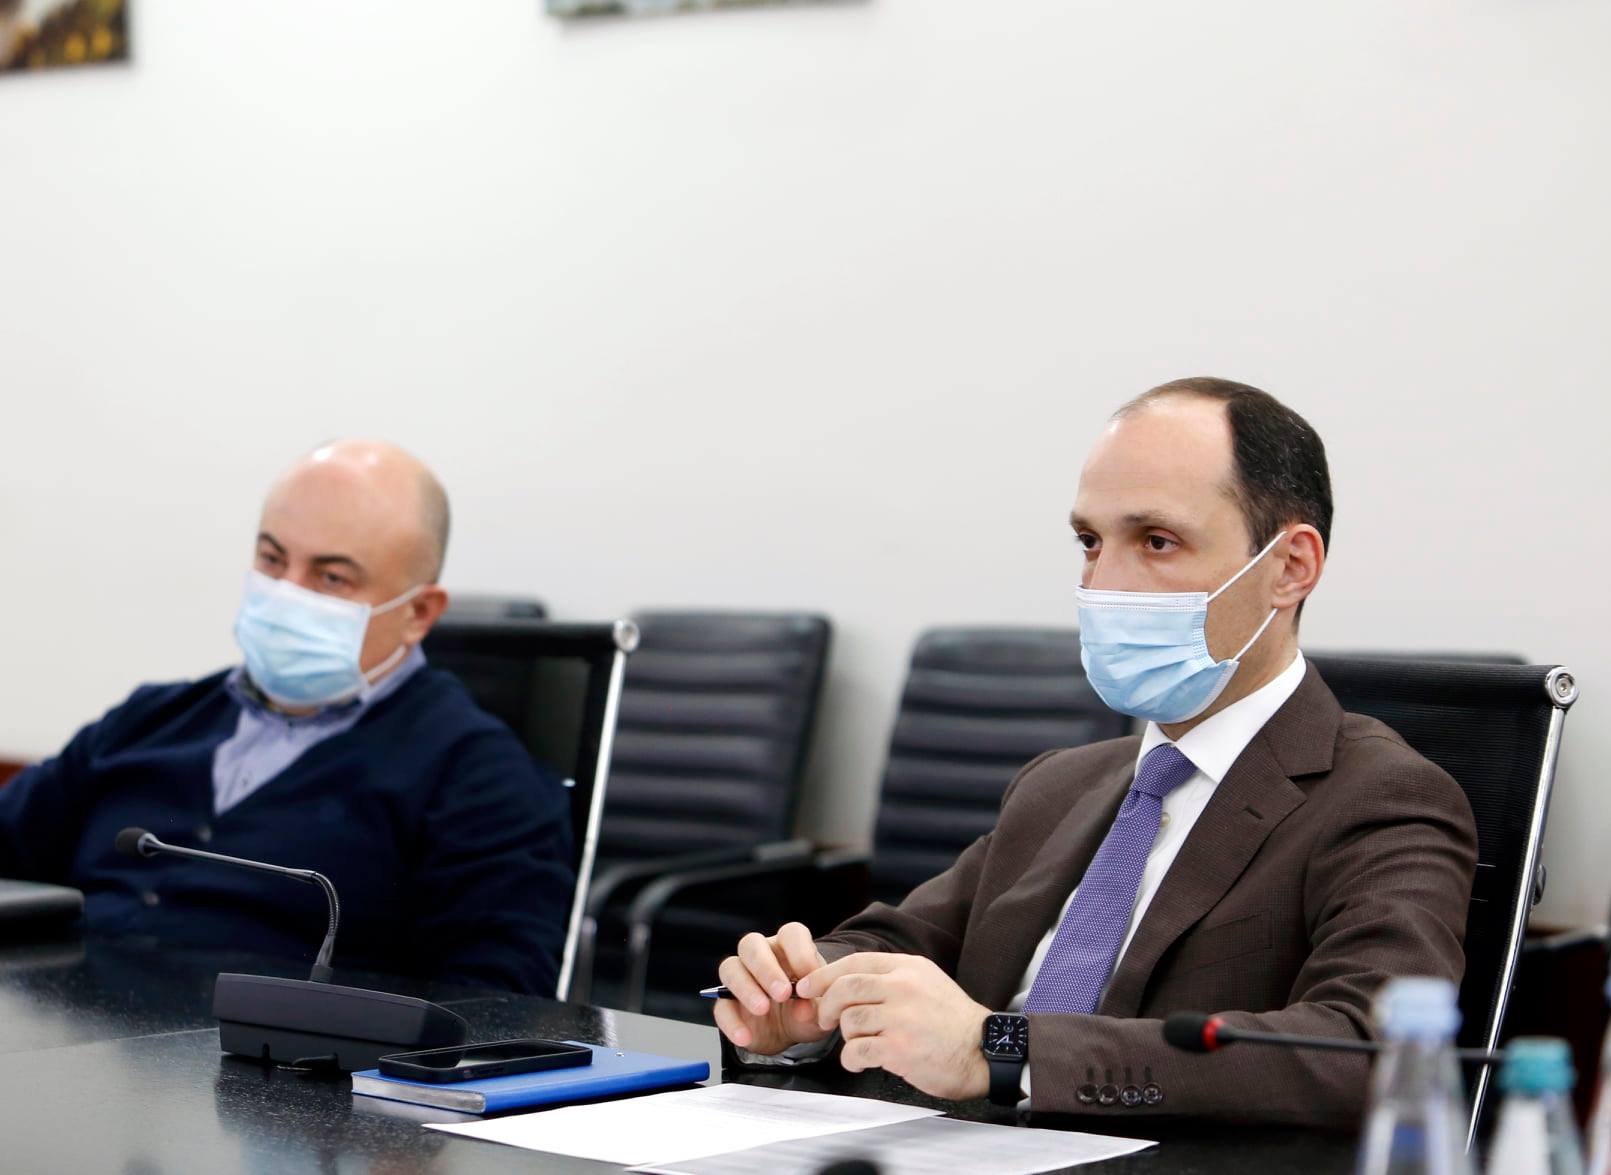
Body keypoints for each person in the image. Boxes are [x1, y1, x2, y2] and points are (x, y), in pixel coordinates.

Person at [714, 379, 1477, 1126]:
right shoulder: (1059, 783)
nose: (1101, 582)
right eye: (1089, 541)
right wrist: (801, 993)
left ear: (1290, 567)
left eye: (1155, 540)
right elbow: (906, 941)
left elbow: (1370, 1049)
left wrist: (1001, 1049)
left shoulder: (1381, 796)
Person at [0, 440, 573, 995]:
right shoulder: (149, 720)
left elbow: (499, 1007)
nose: (284, 593)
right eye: (272, 559)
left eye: (331, 577)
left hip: (262, 1057)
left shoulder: (480, 779)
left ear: (419, 613)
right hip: (63, 1029)